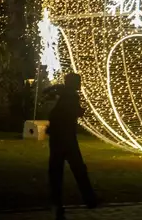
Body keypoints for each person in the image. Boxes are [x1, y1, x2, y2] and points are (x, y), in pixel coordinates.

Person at [47, 73, 98, 220]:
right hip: (66, 139)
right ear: (73, 82)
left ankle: (57, 202)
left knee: (57, 171)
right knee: (78, 169)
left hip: (60, 139)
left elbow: (57, 114)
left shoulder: (65, 94)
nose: (80, 84)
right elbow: (67, 113)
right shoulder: (70, 96)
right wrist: (81, 111)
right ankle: (89, 199)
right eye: (78, 81)